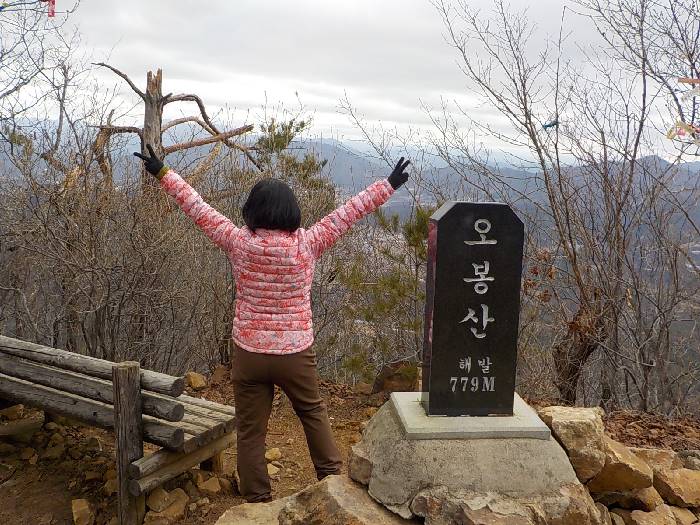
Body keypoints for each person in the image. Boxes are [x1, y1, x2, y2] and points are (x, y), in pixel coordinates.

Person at [134, 145, 410, 503]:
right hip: (295, 352)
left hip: (249, 353)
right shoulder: (308, 244)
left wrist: (161, 171)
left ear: (252, 211)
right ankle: (330, 483)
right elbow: (349, 213)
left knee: (251, 431)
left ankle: (257, 498)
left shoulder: (238, 243)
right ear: (292, 212)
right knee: (312, 413)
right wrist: (387, 184)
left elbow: (197, 207)